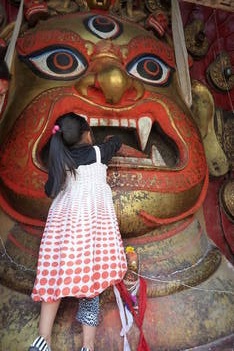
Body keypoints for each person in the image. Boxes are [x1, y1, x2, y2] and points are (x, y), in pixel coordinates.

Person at [28, 112, 128, 351]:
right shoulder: (98, 153)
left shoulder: (61, 158)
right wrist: (113, 139)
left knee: (52, 282)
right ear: (87, 133)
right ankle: (88, 345)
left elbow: (50, 190)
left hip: (63, 230)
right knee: (91, 287)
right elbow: (115, 144)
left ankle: (43, 341)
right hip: (91, 229)